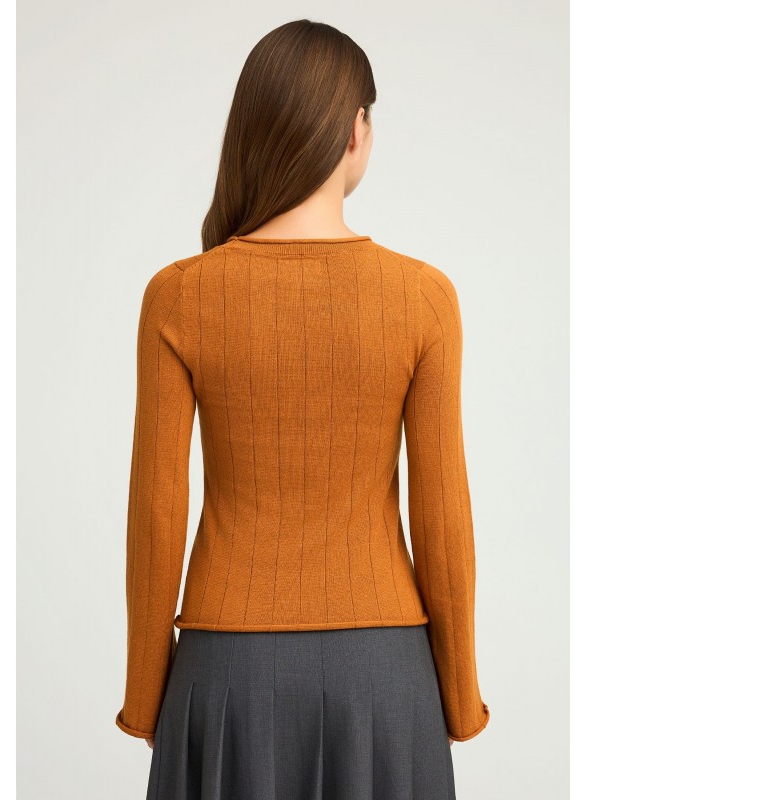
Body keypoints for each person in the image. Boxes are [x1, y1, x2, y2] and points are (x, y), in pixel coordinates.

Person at [115, 18, 490, 799]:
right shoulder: (423, 297)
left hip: (226, 673)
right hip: (384, 679)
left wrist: (147, 695)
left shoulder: (179, 296)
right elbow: (442, 514)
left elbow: (157, 511)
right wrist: (458, 697)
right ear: (356, 130)